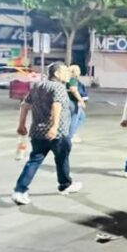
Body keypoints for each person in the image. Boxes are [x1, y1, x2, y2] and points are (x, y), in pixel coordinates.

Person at [12, 62, 82, 205]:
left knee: (34, 161)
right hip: (57, 133)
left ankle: (20, 190)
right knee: (62, 159)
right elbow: (57, 105)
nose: (68, 73)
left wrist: (21, 125)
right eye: (64, 71)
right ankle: (65, 185)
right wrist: (54, 127)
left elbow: (25, 105)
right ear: (56, 74)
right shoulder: (59, 87)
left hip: (37, 132)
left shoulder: (38, 86)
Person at [67, 65, 88, 143]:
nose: (79, 72)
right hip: (73, 102)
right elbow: (73, 90)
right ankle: (70, 136)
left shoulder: (68, 79)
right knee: (74, 119)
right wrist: (81, 100)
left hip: (71, 101)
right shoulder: (73, 79)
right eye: (78, 70)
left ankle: (73, 133)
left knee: (82, 117)